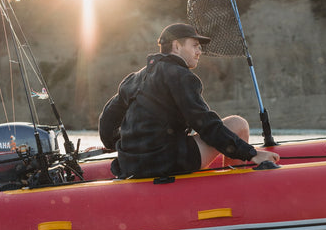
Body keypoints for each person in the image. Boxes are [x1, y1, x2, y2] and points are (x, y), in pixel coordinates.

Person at [99, 23, 280, 179]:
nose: (199, 51)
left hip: (130, 165)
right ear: (177, 46)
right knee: (237, 124)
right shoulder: (181, 76)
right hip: (165, 161)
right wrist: (252, 153)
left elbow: (106, 123)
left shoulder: (135, 77)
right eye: (195, 45)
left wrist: (116, 144)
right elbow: (205, 124)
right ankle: (233, 186)